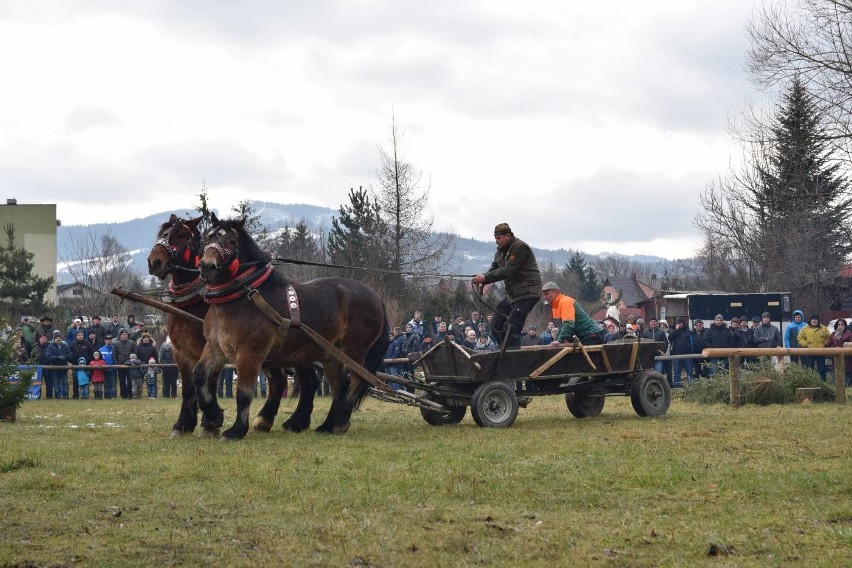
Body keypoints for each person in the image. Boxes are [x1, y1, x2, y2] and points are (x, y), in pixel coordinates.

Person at [472, 223, 542, 349]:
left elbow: (508, 271)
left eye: (498, 238)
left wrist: (485, 278)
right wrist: (483, 279)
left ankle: (512, 354)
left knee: (513, 328)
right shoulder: (500, 251)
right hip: (513, 295)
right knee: (495, 325)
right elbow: (494, 268)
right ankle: (503, 348)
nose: (496, 242)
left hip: (527, 293)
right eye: (495, 238)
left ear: (508, 235)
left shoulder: (520, 248)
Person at [798, 314, 829, 381]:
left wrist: (825, 343)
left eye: (815, 319)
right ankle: (810, 383)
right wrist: (806, 345)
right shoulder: (804, 329)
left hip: (821, 352)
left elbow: (828, 338)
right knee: (809, 369)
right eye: (813, 319)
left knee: (822, 369)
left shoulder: (824, 328)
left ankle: (823, 383)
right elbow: (800, 338)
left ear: (818, 320)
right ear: (810, 320)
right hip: (809, 351)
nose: (814, 320)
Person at [825, 319, 852, 386]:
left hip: (846, 357)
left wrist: (842, 348)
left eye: (842, 324)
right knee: (835, 373)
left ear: (845, 325)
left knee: (846, 373)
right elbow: (828, 343)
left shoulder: (849, 333)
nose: (840, 326)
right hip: (836, 356)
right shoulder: (833, 334)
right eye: (838, 324)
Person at [68, 331, 94, 399]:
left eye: (81, 335)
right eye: (79, 335)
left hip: (86, 367)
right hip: (75, 366)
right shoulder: (72, 344)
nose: (80, 336)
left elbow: (92, 354)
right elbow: (69, 354)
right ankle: (75, 395)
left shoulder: (88, 343)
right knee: (75, 382)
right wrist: (72, 361)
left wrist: (88, 362)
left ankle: (85, 395)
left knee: (86, 381)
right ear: (76, 336)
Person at [669, 318, 694, 386]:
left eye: (680, 323)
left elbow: (692, 342)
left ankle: (691, 385)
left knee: (689, 372)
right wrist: (676, 330)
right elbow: (670, 338)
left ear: (683, 323)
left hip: (687, 355)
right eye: (677, 323)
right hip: (676, 355)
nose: (679, 324)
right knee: (677, 372)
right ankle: (677, 386)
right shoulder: (674, 332)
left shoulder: (688, 331)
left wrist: (691, 352)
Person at [46, 332, 71, 399]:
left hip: (64, 368)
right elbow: (48, 356)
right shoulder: (50, 347)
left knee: (65, 384)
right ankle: (58, 397)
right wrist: (57, 357)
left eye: (59, 338)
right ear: (54, 339)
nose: (58, 339)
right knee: (56, 384)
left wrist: (64, 357)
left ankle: (65, 396)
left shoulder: (65, 346)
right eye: (57, 338)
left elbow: (70, 354)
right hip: (54, 368)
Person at [113, 329, 137, 399]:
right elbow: (114, 355)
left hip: (130, 365)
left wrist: (132, 362)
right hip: (120, 365)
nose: (124, 336)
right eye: (123, 335)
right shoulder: (116, 344)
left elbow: (135, 353)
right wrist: (117, 363)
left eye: (126, 334)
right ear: (120, 336)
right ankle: (123, 395)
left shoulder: (132, 343)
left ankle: (130, 395)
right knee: (122, 381)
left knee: (130, 381)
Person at [30, 333, 51, 399]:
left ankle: (49, 396)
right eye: (42, 337)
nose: (43, 338)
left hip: (48, 367)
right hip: (38, 368)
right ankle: (38, 396)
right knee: (37, 383)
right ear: (39, 339)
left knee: (49, 383)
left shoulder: (50, 346)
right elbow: (32, 358)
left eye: (45, 337)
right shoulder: (35, 347)